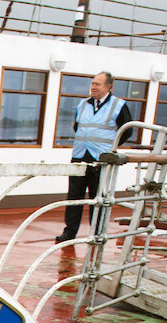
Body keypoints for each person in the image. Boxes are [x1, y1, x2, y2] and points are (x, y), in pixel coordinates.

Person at [55, 71, 132, 244]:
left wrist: (109, 147)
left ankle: (96, 233)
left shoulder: (119, 106)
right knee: (74, 197)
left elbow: (127, 131)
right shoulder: (83, 104)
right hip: (80, 156)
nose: (94, 87)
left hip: (101, 159)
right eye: (92, 84)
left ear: (108, 87)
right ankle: (69, 232)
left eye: (98, 84)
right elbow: (77, 126)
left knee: (98, 197)